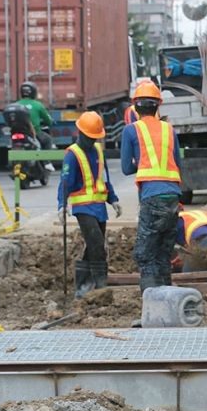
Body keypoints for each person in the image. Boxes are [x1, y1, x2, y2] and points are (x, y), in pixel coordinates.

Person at [120, 80, 183, 291]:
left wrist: (141, 161)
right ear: (158, 105)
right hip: (173, 196)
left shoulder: (131, 130)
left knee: (145, 254)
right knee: (164, 253)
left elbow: (126, 168)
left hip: (152, 198)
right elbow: (178, 164)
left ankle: (151, 302)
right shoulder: (169, 130)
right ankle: (167, 299)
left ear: (136, 106)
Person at [58, 111, 122, 297]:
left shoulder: (98, 153)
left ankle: (83, 285)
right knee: (96, 244)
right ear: (81, 133)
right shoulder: (73, 154)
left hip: (99, 208)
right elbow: (65, 182)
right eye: (89, 137)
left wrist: (114, 199)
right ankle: (100, 286)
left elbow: (105, 179)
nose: (92, 141)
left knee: (94, 245)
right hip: (83, 208)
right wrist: (62, 205)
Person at [17, 81, 55, 171]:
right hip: (34, 133)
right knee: (48, 140)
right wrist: (50, 122)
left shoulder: (16, 104)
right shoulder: (38, 105)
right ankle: (47, 162)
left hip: (19, 133)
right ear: (34, 92)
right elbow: (48, 120)